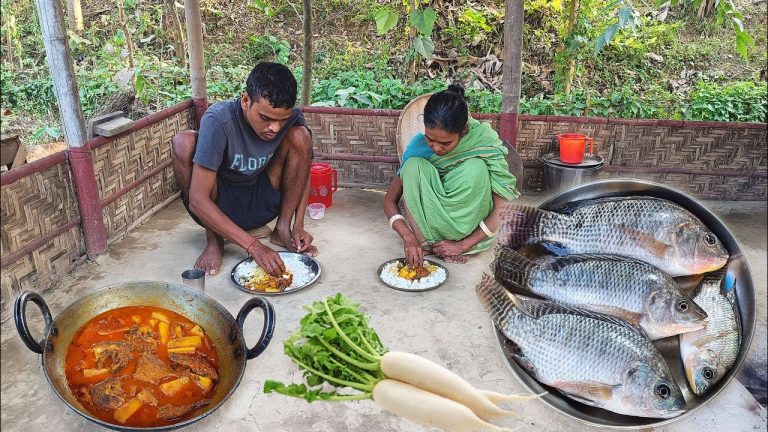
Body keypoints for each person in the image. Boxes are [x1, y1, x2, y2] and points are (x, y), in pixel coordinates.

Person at [172, 62, 317, 277]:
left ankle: (282, 229)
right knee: (183, 142)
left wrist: (299, 225)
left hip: (264, 201)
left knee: (301, 136)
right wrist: (253, 246)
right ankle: (214, 240)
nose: (274, 128)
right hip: (221, 206)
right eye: (265, 118)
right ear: (246, 101)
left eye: (281, 120)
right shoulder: (219, 120)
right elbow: (197, 199)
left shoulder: (292, 117)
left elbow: (304, 172)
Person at [382, 84, 519, 265]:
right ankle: (430, 244)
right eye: (430, 139)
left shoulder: (483, 141)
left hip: (469, 232)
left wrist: (461, 246)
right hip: (428, 234)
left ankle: (462, 244)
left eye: (446, 143)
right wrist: (408, 237)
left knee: (476, 168)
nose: (437, 148)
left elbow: (503, 209)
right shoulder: (418, 145)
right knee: (412, 166)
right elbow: (389, 200)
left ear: (463, 131)